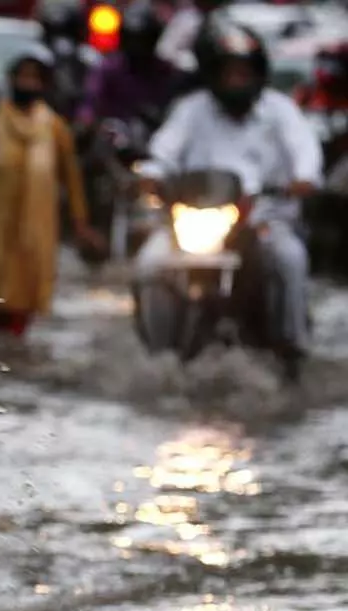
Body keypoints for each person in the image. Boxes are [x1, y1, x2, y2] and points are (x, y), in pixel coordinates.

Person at [133, 21, 321, 375]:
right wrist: (153, 177)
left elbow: (306, 157)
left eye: (244, 72)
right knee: (151, 265)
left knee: (288, 259)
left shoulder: (280, 112)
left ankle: (291, 350)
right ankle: (158, 359)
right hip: (195, 222)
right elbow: (162, 154)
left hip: (264, 218)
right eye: (229, 73)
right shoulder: (192, 110)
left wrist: (301, 180)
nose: (237, 80)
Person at [0, 46, 102, 341]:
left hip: (38, 221)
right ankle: (2, 337)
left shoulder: (54, 126)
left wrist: (80, 222)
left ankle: (17, 337)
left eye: (35, 78)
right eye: (23, 77)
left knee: (30, 279)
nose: (28, 84)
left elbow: (71, 178)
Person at [74, 0, 185, 131]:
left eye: (142, 41)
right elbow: (90, 103)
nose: (137, 47)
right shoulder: (109, 67)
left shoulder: (163, 72)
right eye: (132, 40)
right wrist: (87, 123)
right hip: (110, 136)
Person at [156, 0, 230, 72]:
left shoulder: (222, 16)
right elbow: (164, 50)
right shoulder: (187, 18)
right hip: (189, 71)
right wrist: (189, 63)